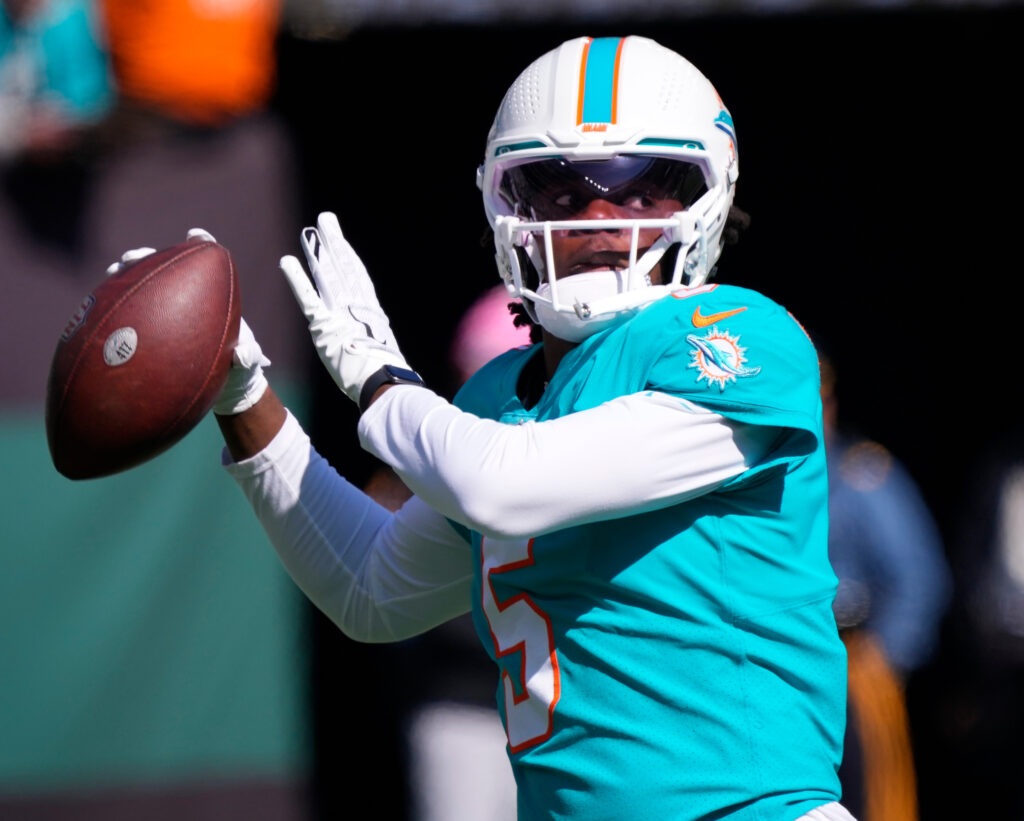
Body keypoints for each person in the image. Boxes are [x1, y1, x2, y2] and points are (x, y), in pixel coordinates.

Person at [116, 35, 852, 819]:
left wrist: (379, 380)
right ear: (503, 204)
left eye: (644, 189)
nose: (601, 221)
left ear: (711, 195)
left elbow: (506, 484)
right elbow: (371, 588)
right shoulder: (499, 397)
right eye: (560, 191)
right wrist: (243, 396)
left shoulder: (740, 336)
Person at [819, 353, 950, 821]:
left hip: (853, 662)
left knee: (875, 803)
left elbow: (918, 578)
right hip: (782, 661)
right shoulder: (751, 479)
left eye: (823, 401)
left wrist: (883, 658)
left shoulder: (863, 474)